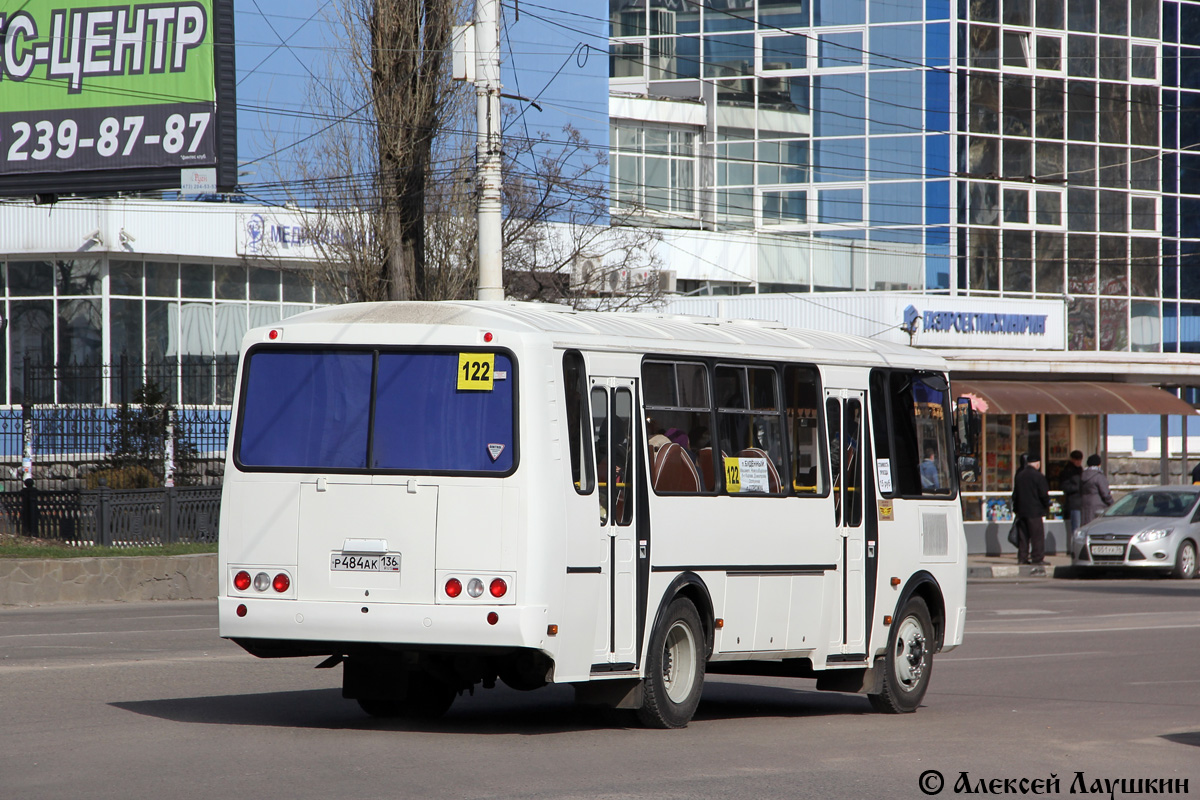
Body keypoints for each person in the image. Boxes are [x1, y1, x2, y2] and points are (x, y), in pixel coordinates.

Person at [1012, 452, 1050, 572]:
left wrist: (1016, 509)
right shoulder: (1038, 476)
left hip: (1021, 511)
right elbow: (1043, 494)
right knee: (1037, 536)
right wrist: (1046, 506)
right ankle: (1037, 558)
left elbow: (1015, 494)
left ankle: (1022, 557)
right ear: (1038, 463)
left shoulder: (1019, 475)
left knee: (1023, 536)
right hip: (1034, 511)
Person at [1079, 454, 1114, 525]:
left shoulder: (1082, 475)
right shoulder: (1098, 476)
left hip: (1084, 505)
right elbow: (1105, 494)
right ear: (1098, 464)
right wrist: (1113, 504)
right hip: (1098, 506)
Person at [1059, 450, 1084, 544]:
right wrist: (1077, 488)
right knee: (1076, 528)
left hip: (1080, 502)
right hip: (1074, 502)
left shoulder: (1080, 470)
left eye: (1080, 460)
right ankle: (1075, 547)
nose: (1078, 462)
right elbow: (1064, 486)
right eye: (1076, 460)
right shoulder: (1067, 471)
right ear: (1072, 459)